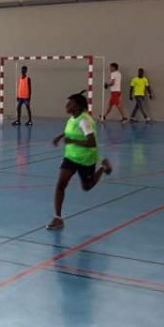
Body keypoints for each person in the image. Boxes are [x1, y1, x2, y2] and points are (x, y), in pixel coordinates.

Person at [47, 92, 113, 230]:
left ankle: (103, 167)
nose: (66, 105)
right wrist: (60, 137)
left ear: (77, 106)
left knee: (87, 187)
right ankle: (58, 218)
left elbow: (91, 142)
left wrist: (72, 141)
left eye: (69, 103)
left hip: (86, 158)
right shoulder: (72, 119)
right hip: (71, 157)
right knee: (61, 184)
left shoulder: (85, 121)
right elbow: (71, 131)